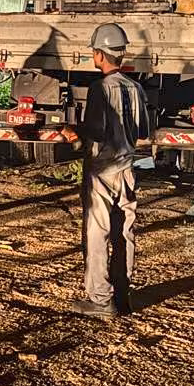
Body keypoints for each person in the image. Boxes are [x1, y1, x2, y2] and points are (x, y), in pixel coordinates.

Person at [62, 22, 152, 318]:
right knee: (124, 232)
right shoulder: (136, 88)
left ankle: (101, 300)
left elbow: (97, 132)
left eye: (94, 51)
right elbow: (142, 131)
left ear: (100, 54)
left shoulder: (99, 88)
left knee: (97, 232)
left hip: (102, 170)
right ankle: (123, 296)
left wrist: (73, 134)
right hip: (127, 170)